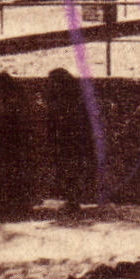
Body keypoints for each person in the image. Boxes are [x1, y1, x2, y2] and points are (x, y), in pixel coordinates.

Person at [0, 71, 34, 221]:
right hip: (11, 148)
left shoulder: (8, 105)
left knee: (4, 176)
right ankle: (14, 207)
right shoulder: (18, 102)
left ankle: (2, 208)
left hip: (7, 148)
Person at [45, 67, 95, 213]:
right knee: (67, 172)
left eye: (54, 83)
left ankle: (73, 201)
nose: (52, 86)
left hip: (72, 142)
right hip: (66, 141)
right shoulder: (65, 99)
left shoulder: (72, 101)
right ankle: (72, 200)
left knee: (71, 171)